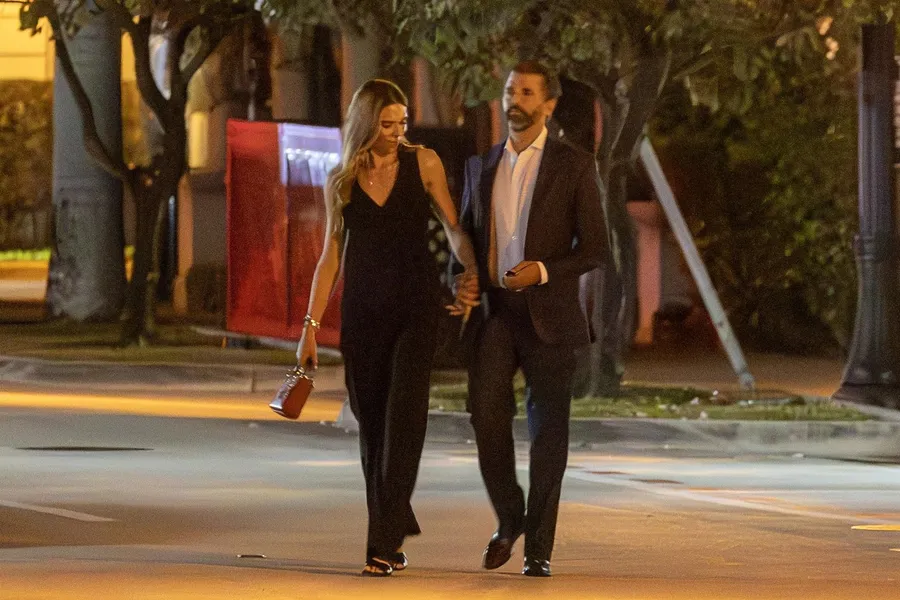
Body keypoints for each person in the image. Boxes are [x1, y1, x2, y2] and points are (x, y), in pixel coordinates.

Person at [296, 79, 478, 577]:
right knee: (372, 426)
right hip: (363, 315)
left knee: (404, 420)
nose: (398, 132)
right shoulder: (341, 181)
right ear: (365, 123)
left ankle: (381, 543)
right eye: (387, 124)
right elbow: (330, 258)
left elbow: (453, 227)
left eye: (403, 123)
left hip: (416, 309)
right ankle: (395, 517)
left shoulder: (424, 164)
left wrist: (469, 267)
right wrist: (310, 328)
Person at [452, 61, 606, 577]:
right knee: (484, 412)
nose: (514, 101)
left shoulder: (574, 165)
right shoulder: (480, 166)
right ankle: (509, 516)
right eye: (509, 91)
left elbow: (596, 249)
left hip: (550, 315)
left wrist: (541, 270)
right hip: (497, 313)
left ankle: (539, 548)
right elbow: (466, 243)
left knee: (548, 434)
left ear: (549, 104)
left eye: (526, 93)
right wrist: (462, 277)